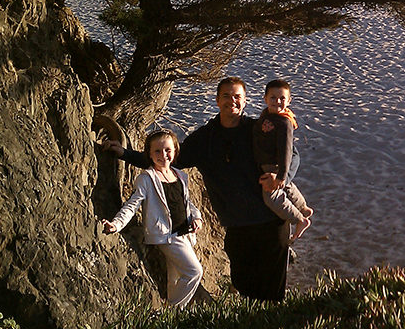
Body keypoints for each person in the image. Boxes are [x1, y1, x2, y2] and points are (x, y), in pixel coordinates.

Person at [106, 77, 290, 301]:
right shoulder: (205, 138)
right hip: (237, 224)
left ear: (245, 101)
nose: (231, 101)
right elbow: (167, 160)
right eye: (226, 96)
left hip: (271, 219)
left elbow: (293, 154)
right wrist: (125, 154)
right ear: (216, 100)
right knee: (245, 287)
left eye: (237, 97)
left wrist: (282, 178)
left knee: (274, 291)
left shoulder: (259, 129)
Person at [101, 130, 204, 308]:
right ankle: (172, 311)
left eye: (167, 150)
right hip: (166, 235)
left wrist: (197, 218)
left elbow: (186, 203)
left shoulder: (180, 176)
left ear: (175, 151)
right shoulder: (146, 179)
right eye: (157, 151)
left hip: (184, 233)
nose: (163, 155)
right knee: (194, 271)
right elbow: (132, 204)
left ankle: (170, 314)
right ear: (148, 153)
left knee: (175, 278)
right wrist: (116, 224)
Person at [253, 79, 313, 242]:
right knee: (287, 186)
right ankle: (302, 207)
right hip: (268, 163)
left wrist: (281, 175)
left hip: (276, 165)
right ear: (265, 98)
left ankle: (299, 220)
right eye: (273, 97)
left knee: (271, 195)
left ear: (289, 100)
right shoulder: (267, 114)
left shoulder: (284, 122)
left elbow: (287, 150)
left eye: (282, 98)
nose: (277, 102)